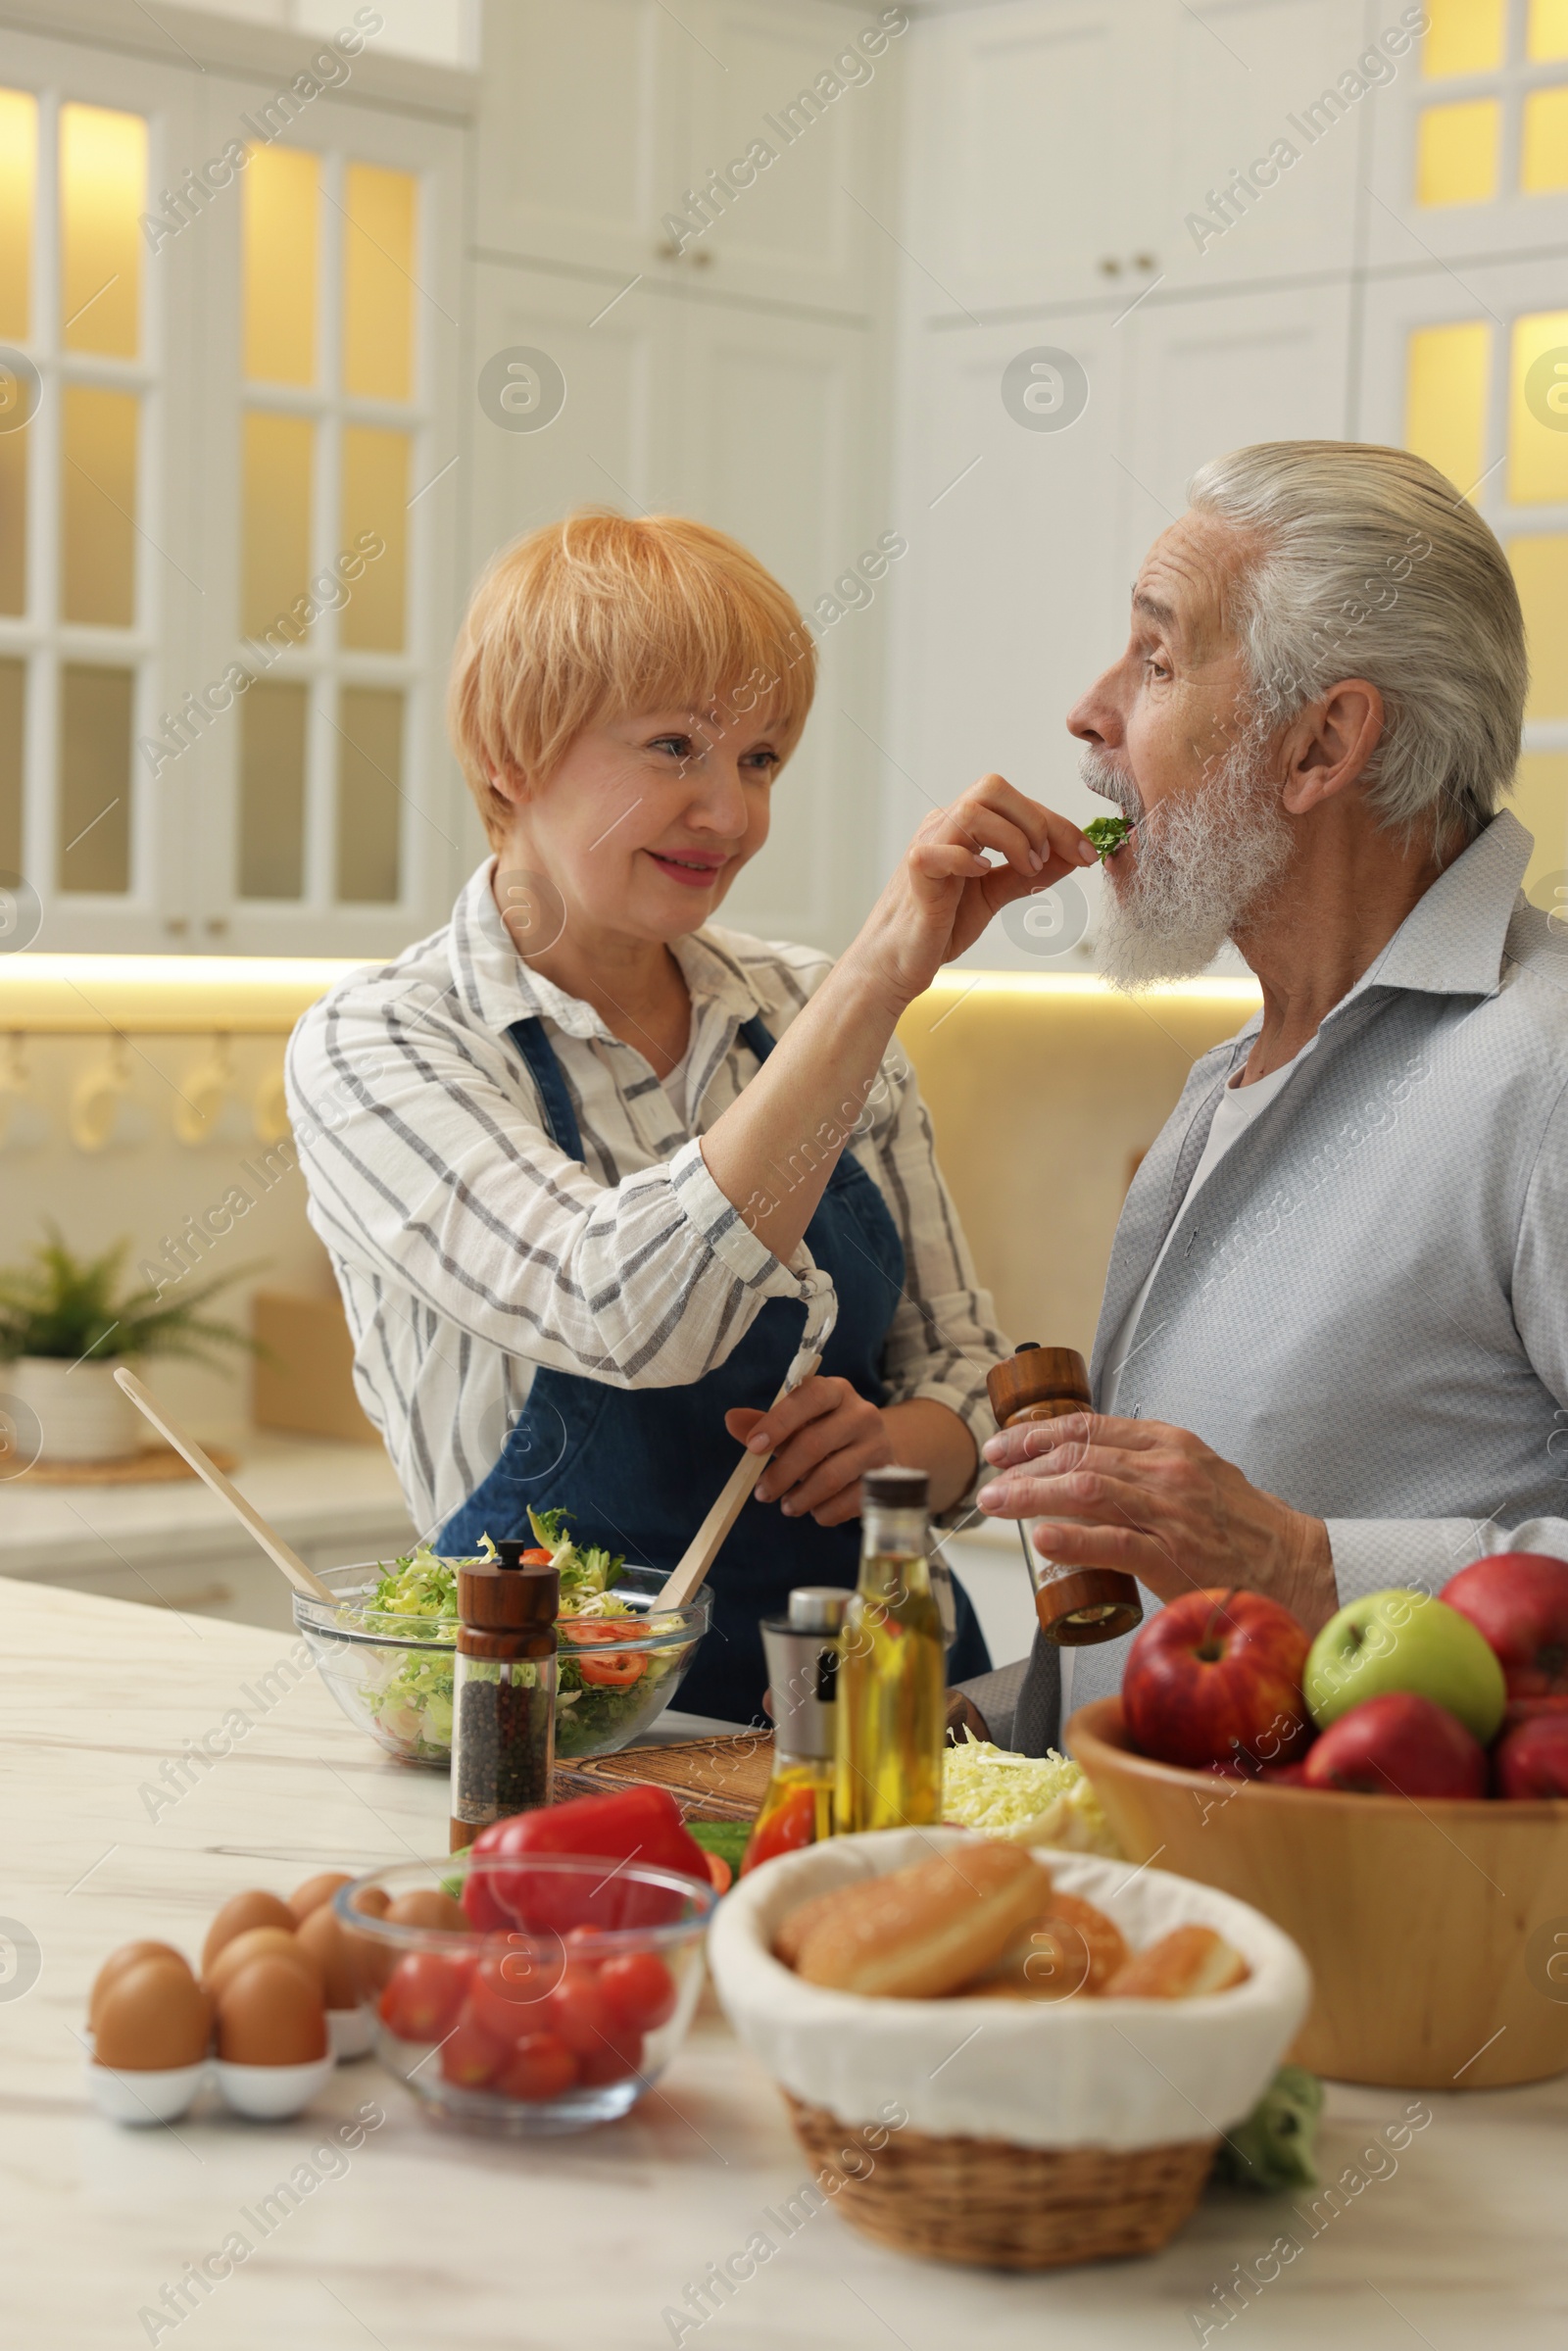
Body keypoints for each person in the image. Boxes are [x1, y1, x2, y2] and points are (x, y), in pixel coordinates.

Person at [287, 511, 1100, 1725]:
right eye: (675, 746)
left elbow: (966, 1370)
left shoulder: (804, 1006)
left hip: (882, 1719)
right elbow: (615, 1306)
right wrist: (877, 979)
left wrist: (904, 1447)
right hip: (560, 1739)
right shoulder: (382, 1044)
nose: (728, 813)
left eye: (761, 758)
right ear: (512, 754)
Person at [956, 440, 1568, 1756]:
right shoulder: (1224, 1077)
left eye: (1158, 659)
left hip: (1395, 1940)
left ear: (1322, 744)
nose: (1088, 711)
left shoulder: (1547, 1068)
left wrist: (1308, 1564)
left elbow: (1275, 1563)